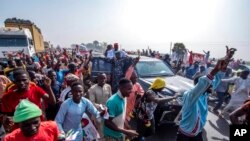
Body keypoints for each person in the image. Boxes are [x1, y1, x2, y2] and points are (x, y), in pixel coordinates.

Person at [176, 48, 235, 141]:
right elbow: (204, 82)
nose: (213, 86)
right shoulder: (190, 95)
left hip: (197, 133)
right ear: (201, 86)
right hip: (185, 135)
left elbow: (217, 79)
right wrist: (215, 70)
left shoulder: (204, 94)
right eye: (210, 85)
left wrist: (225, 64)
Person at [89, 73, 112, 139]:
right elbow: (92, 102)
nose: (103, 80)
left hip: (108, 111)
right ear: (97, 79)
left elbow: (110, 99)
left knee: (107, 129)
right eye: (101, 78)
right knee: (100, 131)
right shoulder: (92, 88)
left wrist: (109, 108)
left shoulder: (108, 86)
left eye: (104, 78)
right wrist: (101, 107)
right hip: (98, 113)